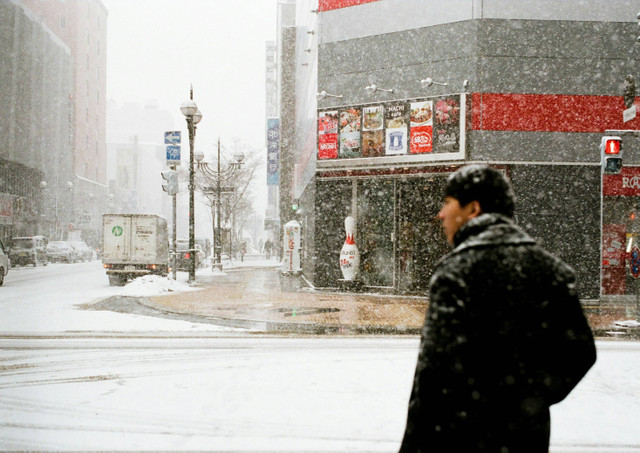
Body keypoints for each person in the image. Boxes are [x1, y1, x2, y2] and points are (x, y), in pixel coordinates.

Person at [400, 165, 596, 453]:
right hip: (526, 437)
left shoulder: (457, 272)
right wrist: (530, 399)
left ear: (473, 209)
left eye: (447, 203)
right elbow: (580, 352)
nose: (441, 214)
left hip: (462, 437)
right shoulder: (549, 269)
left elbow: (433, 377)